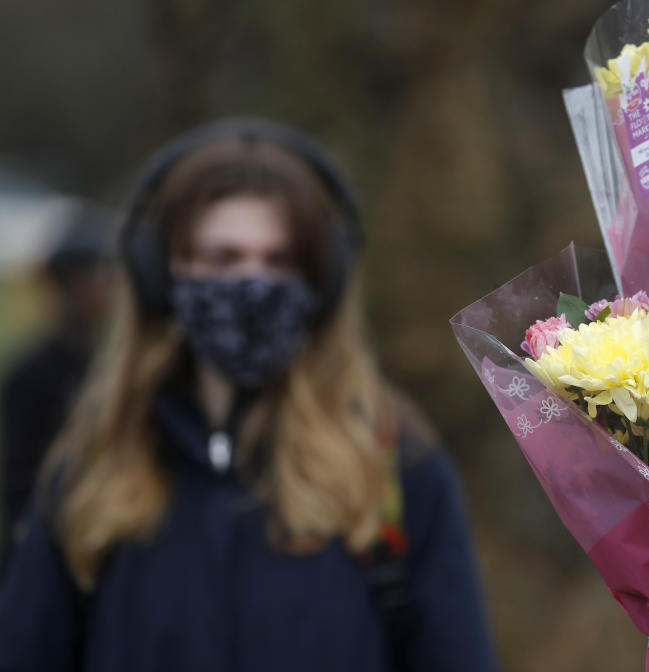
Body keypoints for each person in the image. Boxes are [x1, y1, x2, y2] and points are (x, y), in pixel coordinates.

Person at [0, 119, 498, 672]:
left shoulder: (393, 468)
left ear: (320, 282)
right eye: (223, 258)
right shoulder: (91, 474)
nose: (252, 284)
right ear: (164, 274)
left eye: (279, 261)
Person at [0, 205, 113, 565]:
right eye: (93, 278)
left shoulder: (99, 365)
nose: (104, 291)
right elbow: (18, 478)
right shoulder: (34, 374)